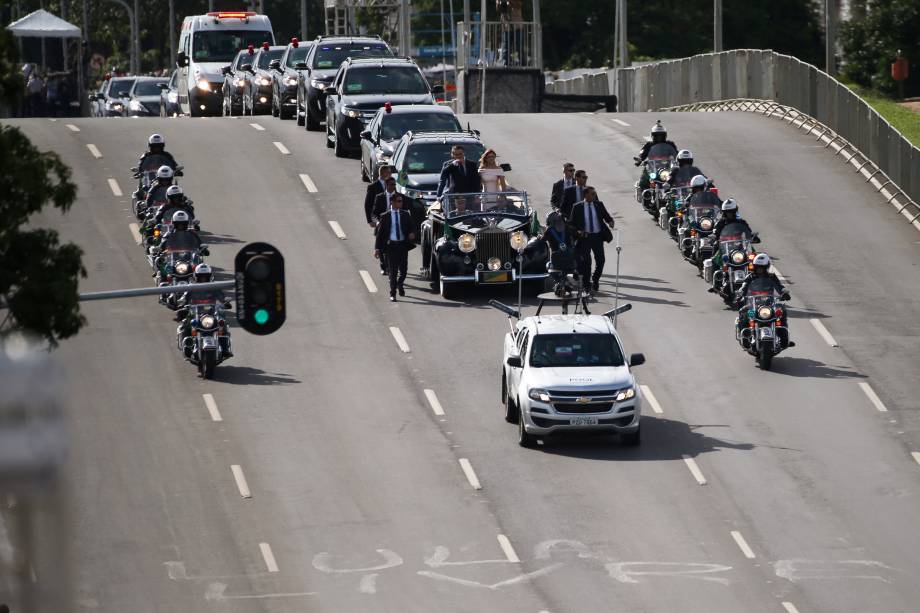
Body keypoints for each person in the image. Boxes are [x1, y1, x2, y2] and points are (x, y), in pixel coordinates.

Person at [734, 253, 793, 347]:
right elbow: (744, 287)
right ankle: (745, 338)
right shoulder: (750, 277)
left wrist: (784, 293)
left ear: (766, 267)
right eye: (758, 267)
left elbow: (779, 286)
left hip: (769, 303)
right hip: (753, 304)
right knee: (743, 312)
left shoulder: (772, 277)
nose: (759, 269)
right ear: (754, 266)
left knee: (781, 310)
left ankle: (784, 338)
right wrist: (740, 294)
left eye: (762, 267)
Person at [177, 263, 233, 358]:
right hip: (195, 313)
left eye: (205, 277)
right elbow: (184, 298)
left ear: (209, 276)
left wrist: (225, 302)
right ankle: (187, 346)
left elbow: (222, 297)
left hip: (211, 313)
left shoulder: (214, 287)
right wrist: (183, 305)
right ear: (196, 276)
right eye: (201, 277)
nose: (203, 279)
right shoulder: (191, 287)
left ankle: (225, 349)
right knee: (185, 324)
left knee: (222, 323)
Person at [569, 187, 615, 293]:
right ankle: (587, 284)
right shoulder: (577, 207)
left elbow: (607, 217)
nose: (595, 196)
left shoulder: (599, 205)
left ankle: (595, 279)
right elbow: (571, 225)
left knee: (601, 260)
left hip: (597, 237)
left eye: (595, 194)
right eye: (592, 194)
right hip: (585, 237)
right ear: (585, 195)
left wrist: (611, 221)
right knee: (586, 262)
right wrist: (578, 232)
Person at [374, 194, 416, 301]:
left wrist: (411, 233)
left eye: (401, 201)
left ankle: (400, 284)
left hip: (402, 245)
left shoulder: (406, 214)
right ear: (392, 202)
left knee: (404, 271)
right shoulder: (385, 216)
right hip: (391, 246)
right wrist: (377, 248)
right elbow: (380, 234)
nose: (401, 203)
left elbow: (412, 227)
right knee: (393, 272)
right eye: (398, 201)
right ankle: (393, 293)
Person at [635, 121, 678, 191]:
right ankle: (643, 191)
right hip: (652, 167)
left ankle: (678, 194)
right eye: (657, 135)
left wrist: (680, 160)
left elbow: (677, 154)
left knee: (677, 176)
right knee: (643, 180)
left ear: (665, 135)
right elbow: (642, 153)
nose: (659, 138)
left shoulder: (670, 144)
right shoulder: (649, 145)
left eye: (661, 135)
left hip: (666, 167)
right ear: (652, 136)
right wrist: (640, 159)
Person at [542, 215, 578, 296]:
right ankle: (565, 282)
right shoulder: (568, 228)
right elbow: (576, 236)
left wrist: (540, 236)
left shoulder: (549, 230)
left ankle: (559, 282)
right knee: (569, 266)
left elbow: (542, 240)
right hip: (570, 260)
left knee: (548, 265)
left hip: (556, 260)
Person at [371, 177, 400, 274]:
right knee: (382, 247)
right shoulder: (379, 197)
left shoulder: (399, 197)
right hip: (382, 226)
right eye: (391, 184)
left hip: (395, 227)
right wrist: (377, 222)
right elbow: (374, 213)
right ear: (386, 185)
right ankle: (384, 266)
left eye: (395, 184)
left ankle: (392, 266)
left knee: (395, 249)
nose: (394, 186)